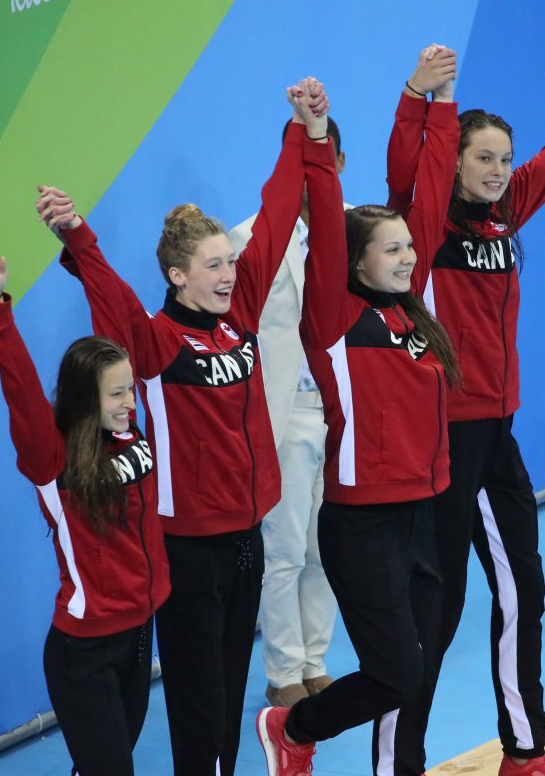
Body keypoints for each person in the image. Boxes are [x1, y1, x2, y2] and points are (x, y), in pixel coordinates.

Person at [35, 77, 333, 776]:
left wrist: (304, 131)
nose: (230, 273)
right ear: (176, 274)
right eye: (213, 265)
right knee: (197, 699)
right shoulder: (159, 343)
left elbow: (278, 207)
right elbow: (109, 295)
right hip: (189, 549)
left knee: (229, 689)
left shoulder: (242, 316)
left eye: (230, 261)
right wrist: (77, 234)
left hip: (243, 537)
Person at [385, 7, 545, 776]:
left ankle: (524, 748)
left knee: (522, 585)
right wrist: (420, 97)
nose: (498, 170)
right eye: (483, 159)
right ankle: (402, 759)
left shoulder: (507, 214)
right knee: (437, 605)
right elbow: (407, 171)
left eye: (503, 159)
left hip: (498, 431)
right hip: (443, 438)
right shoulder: (426, 228)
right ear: (456, 162)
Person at [255, 46, 460, 776]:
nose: (407, 258)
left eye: (409, 248)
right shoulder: (336, 320)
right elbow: (323, 206)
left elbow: (432, 194)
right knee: (394, 674)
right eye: (391, 249)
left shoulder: (411, 316)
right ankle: (293, 725)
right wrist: (313, 137)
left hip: (421, 514)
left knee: (420, 667)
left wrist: (435, 104)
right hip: (362, 522)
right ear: (356, 261)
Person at [0, 239, 170, 776]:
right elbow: (23, 392)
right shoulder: (51, 458)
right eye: (116, 395)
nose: (130, 403)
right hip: (86, 651)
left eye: (130, 391)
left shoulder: (130, 435)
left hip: (139, 632)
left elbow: (114, 324)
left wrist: (81, 241)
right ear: (84, 398)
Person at [227, 118, 349, 710]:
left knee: (326, 548)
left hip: (337, 411)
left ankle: (315, 661)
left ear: (337, 166)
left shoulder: (353, 234)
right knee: (285, 552)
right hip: (280, 415)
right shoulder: (247, 240)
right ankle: (283, 673)